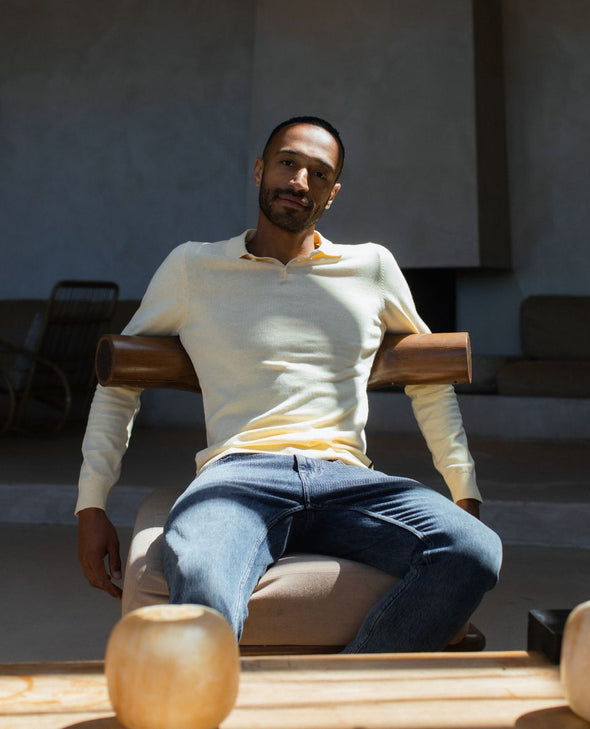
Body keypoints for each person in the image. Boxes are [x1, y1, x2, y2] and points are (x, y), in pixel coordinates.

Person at [77, 116, 502, 652]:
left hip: (348, 479)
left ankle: (350, 687)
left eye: (319, 173)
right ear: (260, 169)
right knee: (203, 574)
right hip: (238, 477)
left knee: (474, 550)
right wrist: (91, 504)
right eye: (288, 163)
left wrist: (464, 489)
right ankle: (214, 691)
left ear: (333, 193)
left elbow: (430, 380)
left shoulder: (372, 267)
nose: (300, 181)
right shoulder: (193, 267)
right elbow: (119, 382)